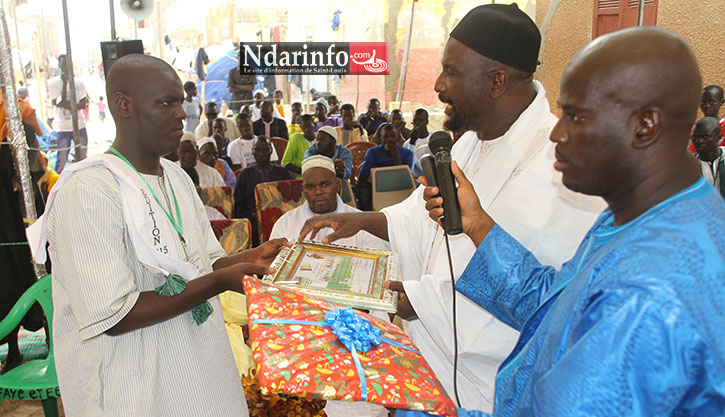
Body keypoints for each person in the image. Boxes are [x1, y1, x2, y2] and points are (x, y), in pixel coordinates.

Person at [298, 4, 605, 411]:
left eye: (452, 72)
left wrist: (413, 299)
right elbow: (417, 221)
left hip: (488, 390)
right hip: (427, 364)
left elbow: (549, 305)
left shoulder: (566, 168)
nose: (439, 85)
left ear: (496, 81)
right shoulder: (468, 141)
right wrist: (359, 220)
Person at [408, 26, 725, 417]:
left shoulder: (647, 293)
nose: (557, 133)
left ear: (645, 126)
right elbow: (554, 304)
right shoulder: (649, 214)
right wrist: (476, 223)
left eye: (575, 116)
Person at [26, 53, 287, 416]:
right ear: (123, 105)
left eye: (181, 102)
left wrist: (250, 257)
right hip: (134, 382)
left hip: (200, 366)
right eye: (167, 103)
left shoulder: (176, 176)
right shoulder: (89, 190)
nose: (181, 114)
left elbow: (205, 262)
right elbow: (114, 314)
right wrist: (222, 280)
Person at [271, 155, 386, 250]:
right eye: (310, 187)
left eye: (325, 185)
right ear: (303, 189)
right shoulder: (285, 223)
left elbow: (378, 270)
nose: (318, 192)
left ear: (338, 185)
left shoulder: (362, 224)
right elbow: (274, 270)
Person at [233, 136, 292, 246]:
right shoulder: (245, 174)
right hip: (254, 223)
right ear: (253, 152)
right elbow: (238, 204)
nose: (261, 153)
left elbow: (292, 198)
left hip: (280, 219)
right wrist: (252, 215)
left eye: (265, 150)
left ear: (270, 151)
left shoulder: (282, 172)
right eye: (258, 150)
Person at [356, 123, 414, 210]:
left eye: (392, 136)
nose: (389, 139)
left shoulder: (407, 153)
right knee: (363, 190)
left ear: (397, 138)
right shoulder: (373, 152)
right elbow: (363, 178)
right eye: (386, 137)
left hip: (399, 186)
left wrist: (396, 156)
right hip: (377, 187)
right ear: (381, 140)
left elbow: (405, 177)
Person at [48, 54, 89, 173]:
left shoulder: (79, 82)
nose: (66, 66)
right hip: (63, 126)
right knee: (62, 158)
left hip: (79, 124)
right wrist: (65, 84)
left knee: (82, 156)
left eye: (68, 63)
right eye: (63, 63)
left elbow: (83, 104)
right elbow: (57, 103)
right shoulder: (53, 83)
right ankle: (57, 184)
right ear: (59, 66)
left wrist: (68, 105)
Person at [692, 116, 724, 197]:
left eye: (705, 137)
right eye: (696, 137)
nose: (700, 141)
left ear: (719, 137)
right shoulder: (688, 166)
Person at [688, 85, 725, 153]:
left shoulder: (723, 127)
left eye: (711, 102)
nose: (707, 105)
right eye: (703, 102)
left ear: (722, 102)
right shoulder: (695, 127)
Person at [281, 114, 317, 179]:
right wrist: (304, 172)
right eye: (304, 127)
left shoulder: (320, 138)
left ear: (314, 125)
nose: (307, 129)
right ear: (300, 127)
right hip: (300, 177)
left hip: (319, 175)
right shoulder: (296, 138)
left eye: (309, 126)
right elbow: (285, 162)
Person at [403, 109, 432, 178]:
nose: (418, 123)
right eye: (415, 121)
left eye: (421, 120)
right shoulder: (407, 144)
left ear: (427, 121)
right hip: (415, 180)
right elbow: (409, 167)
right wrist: (412, 142)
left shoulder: (433, 139)